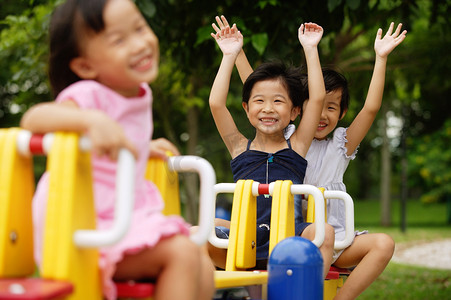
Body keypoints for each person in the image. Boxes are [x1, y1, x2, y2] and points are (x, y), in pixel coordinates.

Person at [20, 1, 214, 300]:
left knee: (200, 258)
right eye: (119, 40)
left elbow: (115, 140)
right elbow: (32, 120)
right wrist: (89, 119)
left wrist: (141, 147)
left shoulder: (138, 91)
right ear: (85, 66)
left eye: (139, 28)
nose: (140, 44)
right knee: (182, 253)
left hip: (123, 213)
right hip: (86, 219)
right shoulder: (87, 95)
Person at [216, 16, 407, 299]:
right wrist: (236, 53)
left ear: (341, 113)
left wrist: (379, 58)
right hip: (277, 226)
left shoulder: (327, 144)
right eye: (315, 107)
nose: (321, 115)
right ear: (297, 109)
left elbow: (369, 108)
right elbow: (262, 91)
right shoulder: (289, 135)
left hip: (321, 234)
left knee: (367, 240)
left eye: (333, 108)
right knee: (210, 226)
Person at [208, 20, 335, 278]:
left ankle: (310, 291)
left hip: (292, 235)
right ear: (246, 108)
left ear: (294, 111)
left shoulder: (297, 145)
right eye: (259, 101)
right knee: (195, 231)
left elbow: (318, 98)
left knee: (326, 231)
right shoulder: (239, 146)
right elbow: (216, 103)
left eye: (278, 101)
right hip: (246, 236)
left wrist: (311, 49)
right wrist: (229, 56)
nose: (268, 108)